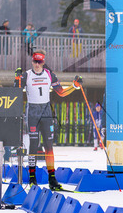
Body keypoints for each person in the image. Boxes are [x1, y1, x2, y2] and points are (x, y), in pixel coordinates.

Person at [18, 50, 81, 190]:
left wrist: (74, 86)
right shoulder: (27, 75)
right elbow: (16, 91)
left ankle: (52, 179)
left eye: (39, 62)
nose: (37, 65)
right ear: (32, 61)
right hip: (33, 112)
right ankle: (32, 178)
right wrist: (17, 80)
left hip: (46, 112)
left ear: (43, 62)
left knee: (49, 146)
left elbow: (61, 92)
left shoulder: (49, 74)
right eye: (35, 61)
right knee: (33, 145)